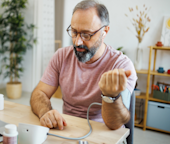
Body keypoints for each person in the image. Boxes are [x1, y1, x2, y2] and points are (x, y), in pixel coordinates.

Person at [30, 0, 137, 131]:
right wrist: (45, 112)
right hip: (67, 129)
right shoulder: (61, 56)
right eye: (74, 32)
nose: (77, 41)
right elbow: (39, 93)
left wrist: (110, 96)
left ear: (105, 31)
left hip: (102, 133)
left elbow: (114, 124)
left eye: (86, 34)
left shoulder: (121, 65)